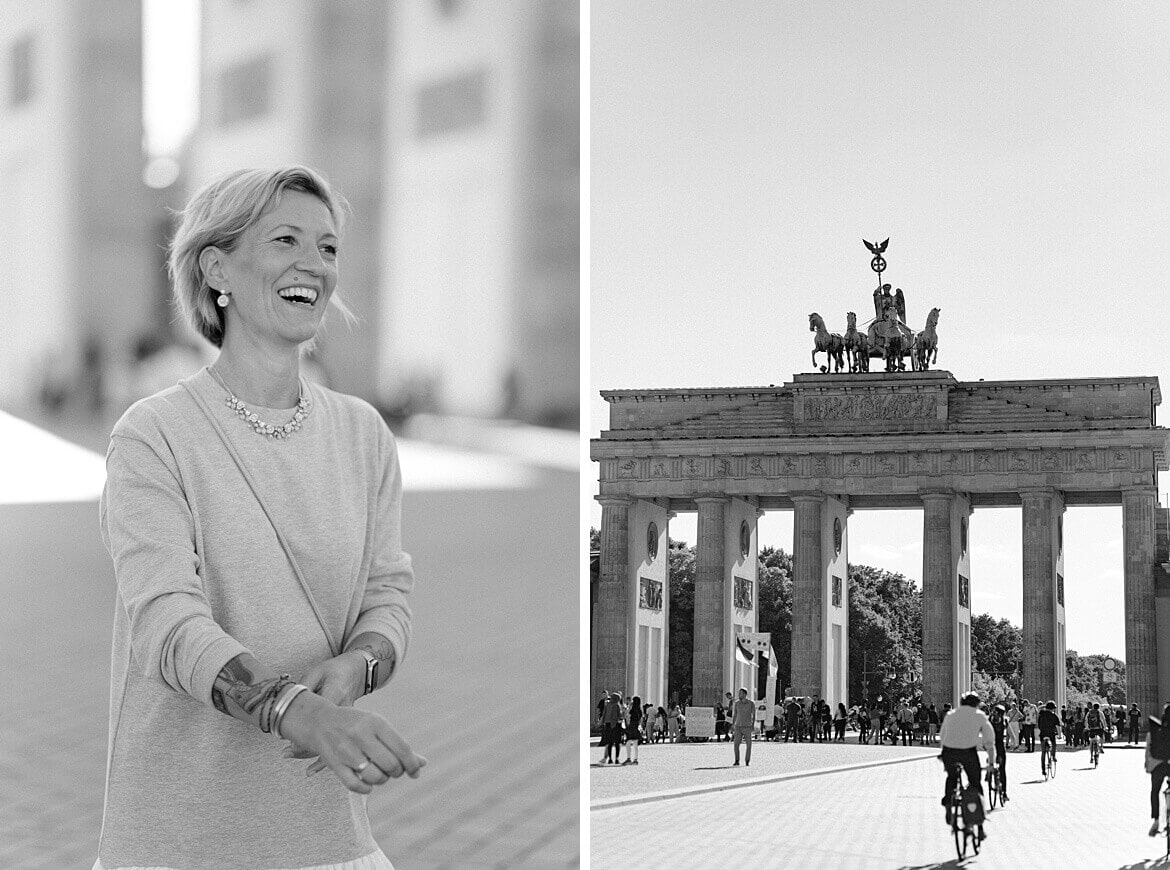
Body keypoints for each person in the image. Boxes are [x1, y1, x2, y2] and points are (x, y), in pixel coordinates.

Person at [95, 167, 425, 870]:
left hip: (326, 837)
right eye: (285, 239)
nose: (315, 264)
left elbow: (388, 594)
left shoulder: (365, 435)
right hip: (180, 840)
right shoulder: (153, 435)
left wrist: (357, 666)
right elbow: (165, 621)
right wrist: (295, 710)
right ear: (218, 266)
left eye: (329, 248)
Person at [938, 692, 996, 837]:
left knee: (952, 777)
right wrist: (992, 762)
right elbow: (989, 742)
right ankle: (980, 827)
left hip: (949, 752)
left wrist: (943, 752)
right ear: (977, 704)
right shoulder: (980, 715)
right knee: (975, 784)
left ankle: (948, 804)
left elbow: (943, 735)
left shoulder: (951, 714)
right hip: (968, 753)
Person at [1147, 704, 1170, 835]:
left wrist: (1149, 766)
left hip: (1158, 766)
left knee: (1155, 791)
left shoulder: (1157, 730)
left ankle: (1156, 819)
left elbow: (1149, 750)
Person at [730, 688, 756, 766]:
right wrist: (733, 724)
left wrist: (753, 724)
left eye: (740, 693)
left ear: (745, 694)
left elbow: (754, 715)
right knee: (736, 744)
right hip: (738, 726)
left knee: (749, 744)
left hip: (747, 726)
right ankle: (737, 760)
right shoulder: (737, 703)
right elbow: (735, 714)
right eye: (739, 693)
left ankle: (747, 760)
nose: (739, 695)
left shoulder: (751, 703)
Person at [989, 705, 1009, 802]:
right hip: (1000, 747)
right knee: (1002, 770)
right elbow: (1009, 732)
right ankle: (1004, 792)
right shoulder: (1005, 720)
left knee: (991, 762)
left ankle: (989, 774)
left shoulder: (990, 719)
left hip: (991, 746)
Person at [600, 691, 624, 763]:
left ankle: (610, 759)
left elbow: (604, 714)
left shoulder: (607, 705)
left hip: (607, 724)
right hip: (616, 724)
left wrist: (603, 722)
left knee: (609, 742)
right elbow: (619, 715)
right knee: (617, 742)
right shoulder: (617, 705)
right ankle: (617, 758)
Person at [1038, 700, 1062, 769]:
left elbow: (1038, 708)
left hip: (1042, 733)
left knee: (1043, 751)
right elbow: (1058, 726)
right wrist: (1060, 735)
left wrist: (1045, 706)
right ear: (1053, 708)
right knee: (1054, 744)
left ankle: (1043, 768)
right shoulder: (1054, 716)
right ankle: (1053, 756)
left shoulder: (1041, 714)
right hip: (1051, 733)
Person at [622, 695, 643, 765]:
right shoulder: (639, 710)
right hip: (636, 727)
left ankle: (628, 758)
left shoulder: (632, 709)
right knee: (635, 744)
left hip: (631, 727)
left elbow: (627, 716)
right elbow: (640, 719)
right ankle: (635, 759)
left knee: (628, 743)